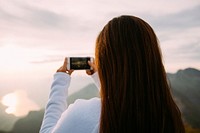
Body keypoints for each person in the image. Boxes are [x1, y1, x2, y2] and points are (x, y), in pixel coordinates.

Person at [40, 15, 185, 133]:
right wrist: (99, 78)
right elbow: (123, 101)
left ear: (106, 62)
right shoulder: (168, 115)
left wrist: (60, 80)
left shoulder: (84, 116)